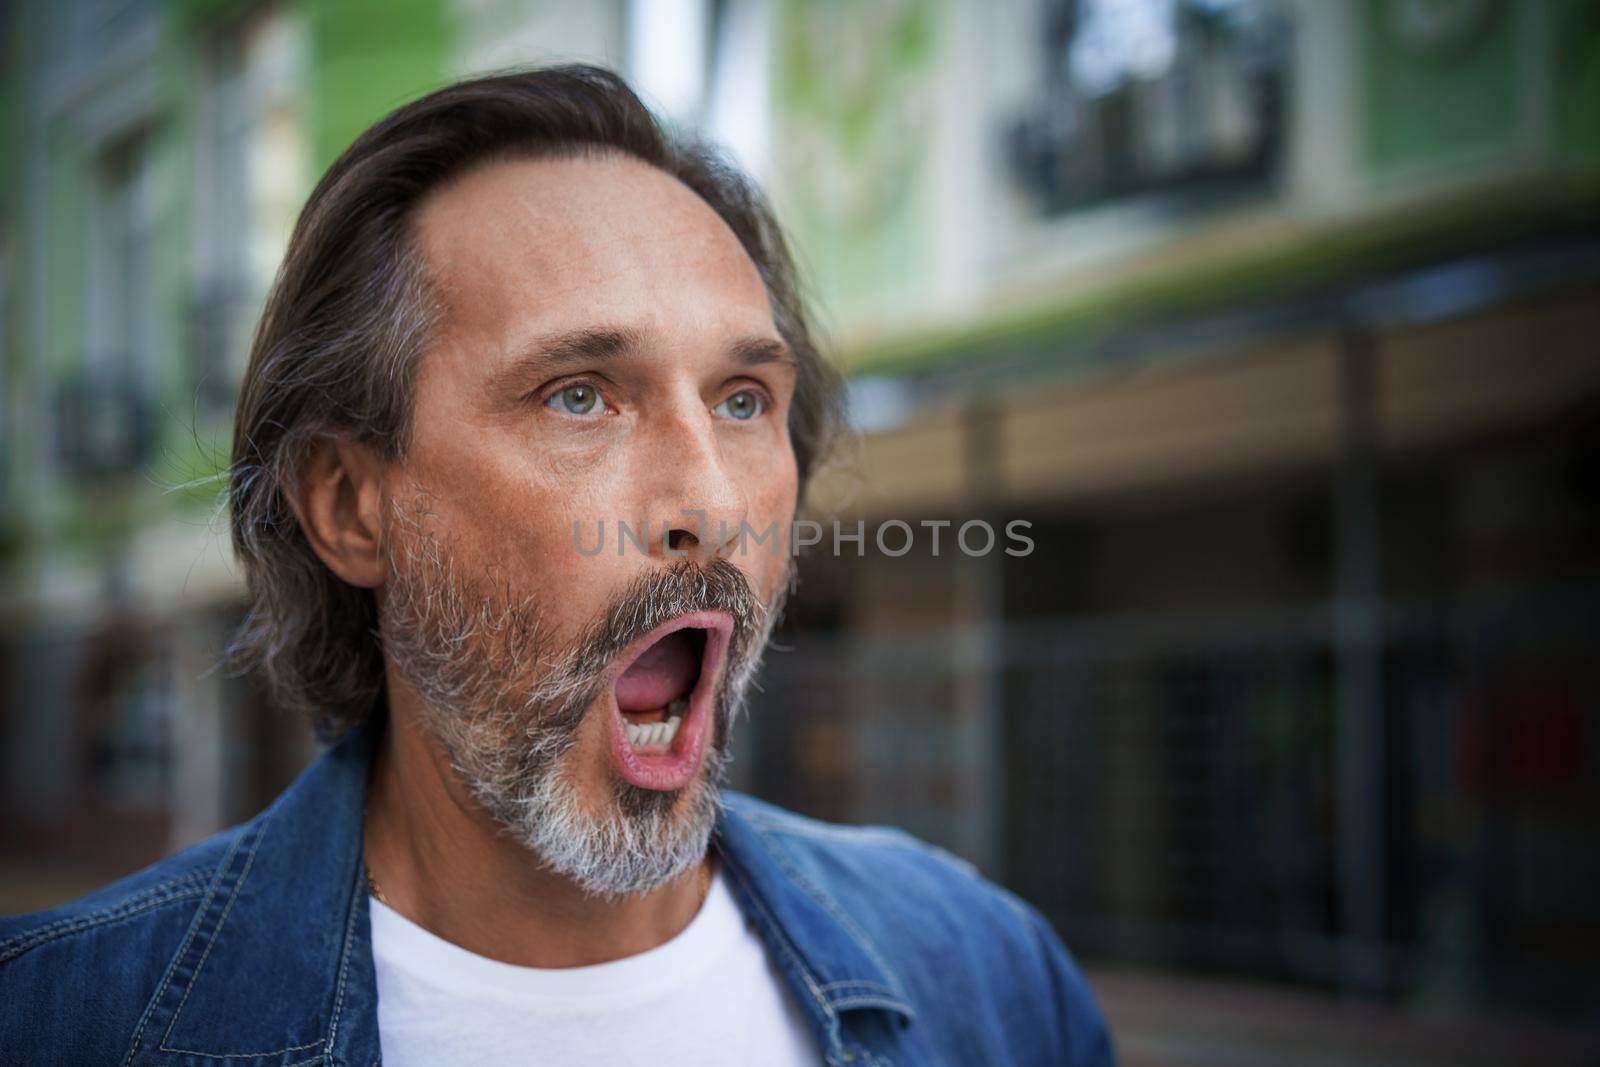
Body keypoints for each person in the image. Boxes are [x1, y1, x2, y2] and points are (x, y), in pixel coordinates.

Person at [0, 66, 1113, 1066]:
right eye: (579, 393)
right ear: (348, 503)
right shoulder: (58, 1020)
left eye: (742, 400)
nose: (710, 505)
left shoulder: (988, 972)